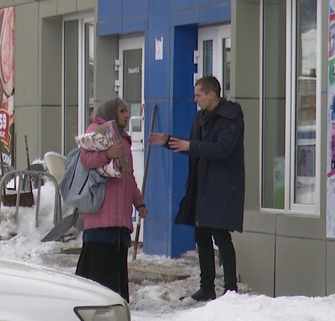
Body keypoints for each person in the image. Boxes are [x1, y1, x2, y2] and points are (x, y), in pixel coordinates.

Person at [148, 75, 245, 301]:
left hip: (223, 185)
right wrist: (170, 141)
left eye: (198, 95)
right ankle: (207, 287)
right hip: (202, 184)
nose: (195, 99)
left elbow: (222, 149)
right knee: (201, 234)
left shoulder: (231, 116)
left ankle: (230, 289)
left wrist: (190, 145)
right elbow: (193, 147)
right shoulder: (201, 117)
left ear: (212, 94)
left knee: (221, 235)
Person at [75, 98, 148, 302]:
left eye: (126, 110)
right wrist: (107, 154)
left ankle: (116, 304)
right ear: (111, 112)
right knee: (97, 269)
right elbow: (86, 159)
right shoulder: (97, 131)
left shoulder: (123, 139)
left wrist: (139, 203)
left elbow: (128, 176)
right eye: (122, 111)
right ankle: (91, 305)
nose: (126, 115)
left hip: (120, 218)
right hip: (101, 214)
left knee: (116, 268)